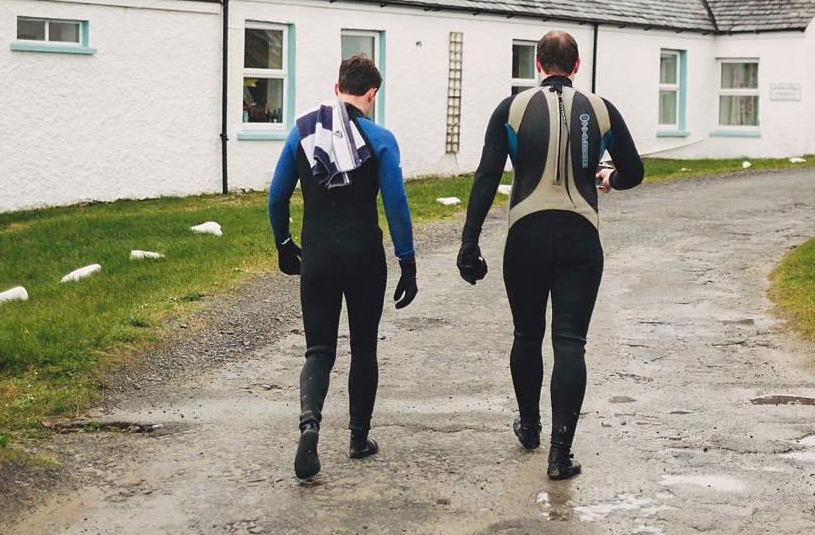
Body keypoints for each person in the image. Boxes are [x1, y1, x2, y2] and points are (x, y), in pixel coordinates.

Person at [456, 30, 644, 480]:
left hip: (525, 235)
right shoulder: (600, 110)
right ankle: (560, 455)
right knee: (570, 343)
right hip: (581, 239)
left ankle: (530, 426)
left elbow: (485, 178)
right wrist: (609, 179)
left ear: (537, 65)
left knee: (526, 335)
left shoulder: (512, 108)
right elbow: (634, 172)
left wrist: (469, 242)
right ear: (576, 66)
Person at [268, 53, 417, 480]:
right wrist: (407, 262)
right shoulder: (382, 139)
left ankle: (310, 423)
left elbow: (276, 198)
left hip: (317, 255)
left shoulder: (300, 133)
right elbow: (397, 207)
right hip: (364, 256)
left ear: (337, 88)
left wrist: (283, 243)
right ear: (372, 94)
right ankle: (358, 438)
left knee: (319, 350)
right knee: (364, 347)